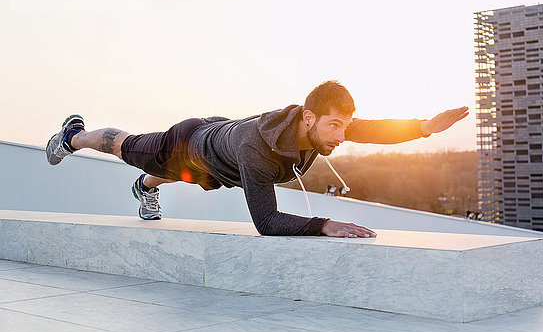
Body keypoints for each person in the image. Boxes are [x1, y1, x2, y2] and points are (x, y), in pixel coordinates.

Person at [46, 80, 468, 238]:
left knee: (195, 179)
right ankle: (73, 135)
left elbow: (372, 128)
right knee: (126, 146)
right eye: (336, 127)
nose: (343, 136)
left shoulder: (322, 125)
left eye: (345, 126)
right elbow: (266, 223)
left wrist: (425, 127)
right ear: (309, 118)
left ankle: (145, 188)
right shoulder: (258, 151)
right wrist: (325, 225)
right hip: (186, 143)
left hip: (216, 151)